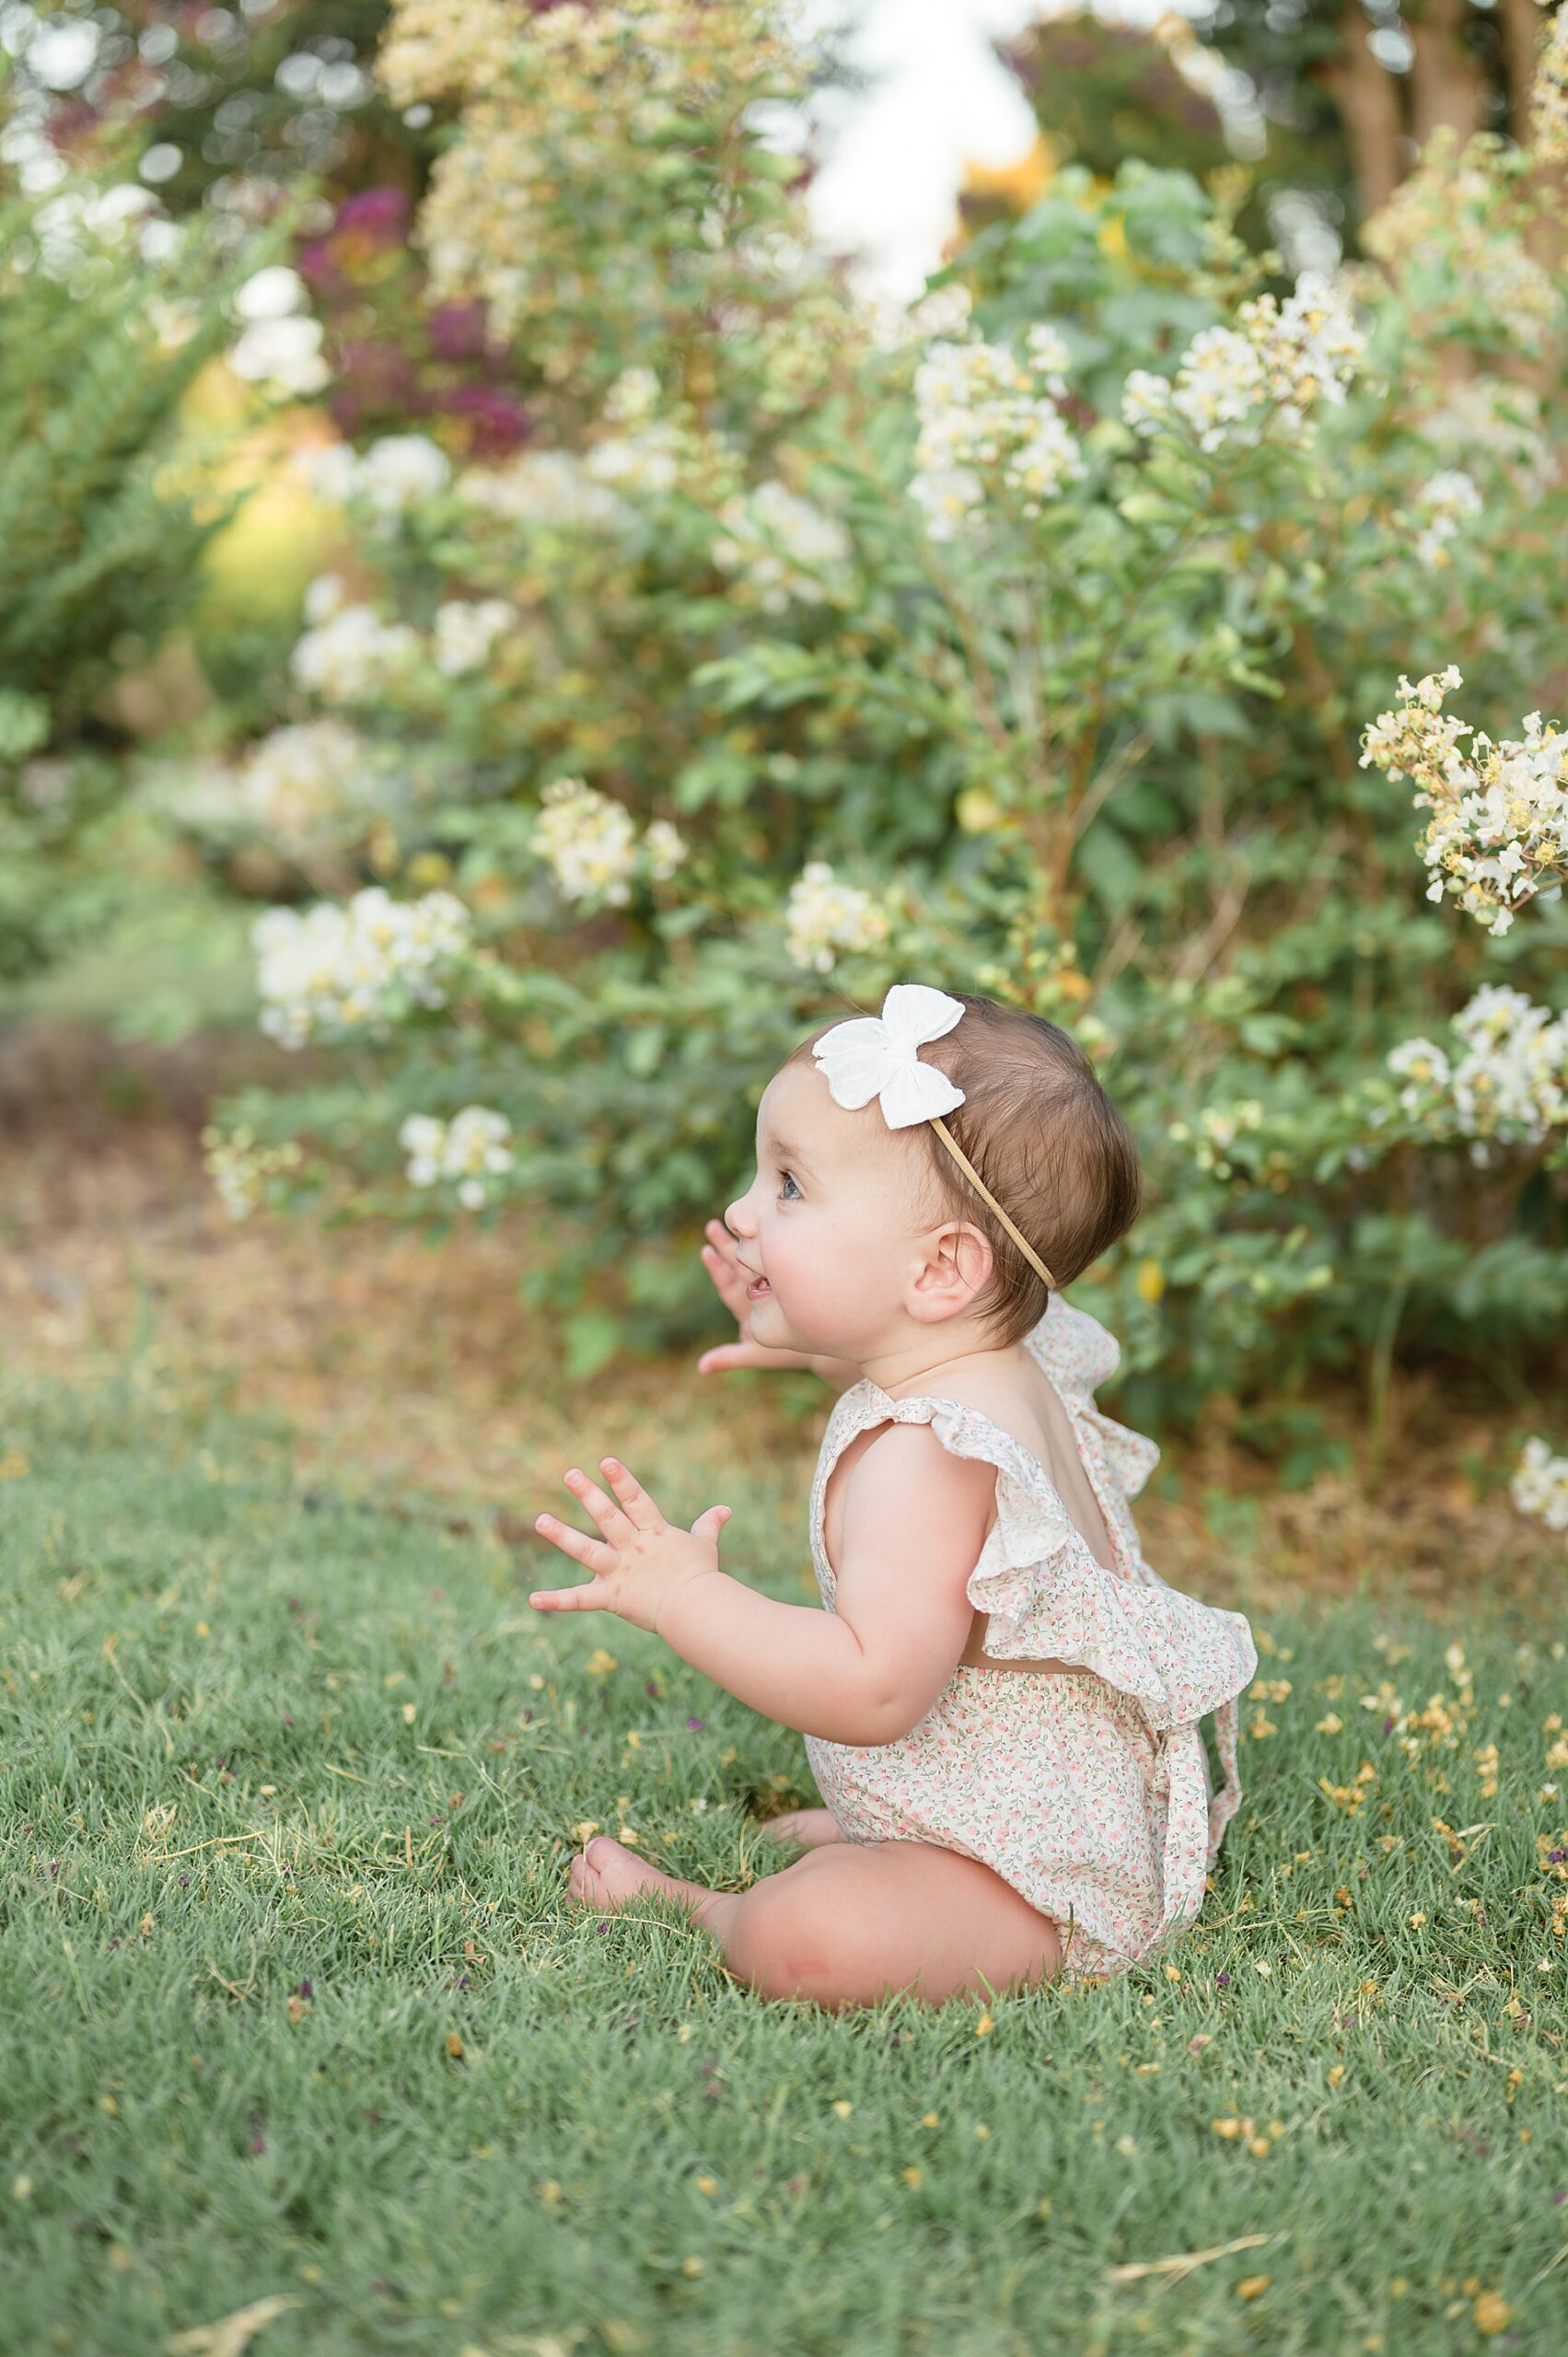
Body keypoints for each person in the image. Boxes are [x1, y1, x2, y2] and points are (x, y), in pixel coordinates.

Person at [529, 984, 1258, 2010]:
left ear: (940, 1269)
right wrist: (810, 1332)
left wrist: (680, 1595)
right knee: (850, 1880)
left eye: (788, 1187)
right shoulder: (998, 1362)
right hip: (1038, 1807)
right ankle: (903, 1835)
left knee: (813, 1935)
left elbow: (875, 1689)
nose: (740, 1211)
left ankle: (710, 1906)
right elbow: (904, 1361)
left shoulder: (924, 1458)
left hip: (1034, 1885)